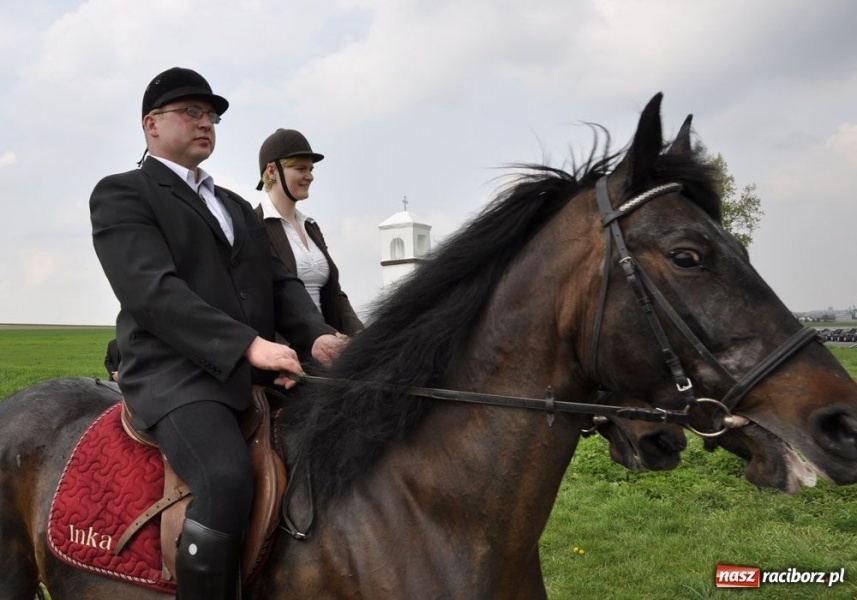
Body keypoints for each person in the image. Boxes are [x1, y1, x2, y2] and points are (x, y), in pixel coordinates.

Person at [89, 67, 344, 600]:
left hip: (257, 371)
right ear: (151, 125)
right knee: (226, 479)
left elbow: (281, 284)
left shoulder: (233, 205)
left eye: (212, 116)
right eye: (192, 112)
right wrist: (248, 344)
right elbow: (153, 292)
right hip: (176, 377)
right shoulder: (122, 195)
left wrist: (317, 335)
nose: (206, 123)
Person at [254, 128, 364, 337]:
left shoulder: (311, 226)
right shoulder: (254, 224)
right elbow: (263, 299)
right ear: (271, 171)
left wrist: (358, 333)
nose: (310, 176)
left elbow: (335, 294)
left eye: (311, 169)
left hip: (328, 345)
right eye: (300, 168)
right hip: (288, 354)